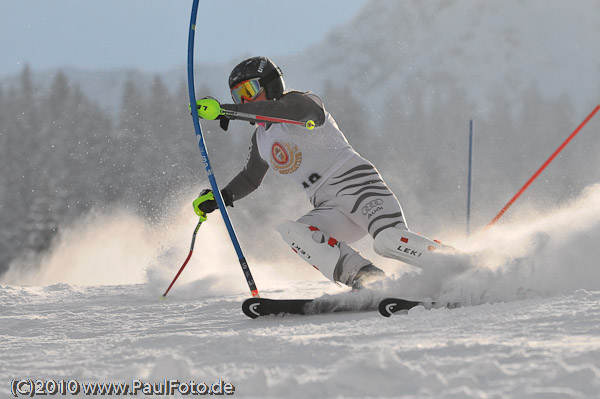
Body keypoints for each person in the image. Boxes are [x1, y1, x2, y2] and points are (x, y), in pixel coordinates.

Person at [193, 56, 448, 289]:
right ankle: (367, 280)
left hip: (358, 186)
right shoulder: (261, 139)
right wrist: (220, 197)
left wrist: (228, 110)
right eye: (238, 97)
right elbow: (250, 178)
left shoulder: (301, 103)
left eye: (249, 91)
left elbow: (284, 111)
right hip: (328, 206)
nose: (245, 101)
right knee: (295, 232)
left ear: (271, 85)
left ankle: (456, 264)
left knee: (388, 240)